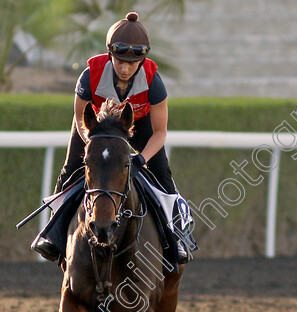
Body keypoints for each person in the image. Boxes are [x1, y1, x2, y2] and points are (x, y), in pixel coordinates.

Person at [32, 11, 194, 264]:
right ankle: (53, 234)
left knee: (163, 174)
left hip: (138, 125)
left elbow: (160, 132)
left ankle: (175, 237)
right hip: (95, 126)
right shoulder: (88, 76)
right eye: (120, 60)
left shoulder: (154, 83)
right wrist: (91, 143)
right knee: (69, 169)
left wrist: (141, 159)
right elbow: (79, 119)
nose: (125, 68)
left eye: (132, 63)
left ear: (142, 60)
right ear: (110, 54)